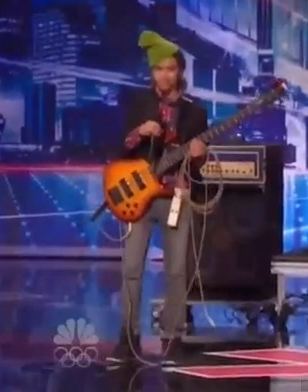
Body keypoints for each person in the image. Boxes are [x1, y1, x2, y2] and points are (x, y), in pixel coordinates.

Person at [108, 31, 208, 366]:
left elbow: (198, 165)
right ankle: (128, 337)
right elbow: (120, 148)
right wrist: (139, 132)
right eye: (158, 69)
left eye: (170, 69)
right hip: (139, 196)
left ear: (179, 72)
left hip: (175, 196)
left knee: (177, 270)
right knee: (131, 269)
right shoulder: (138, 104)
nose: (164, 76)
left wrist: (199, 155)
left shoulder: (195, 113)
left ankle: (172, 338)